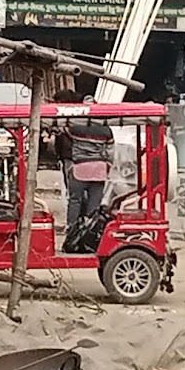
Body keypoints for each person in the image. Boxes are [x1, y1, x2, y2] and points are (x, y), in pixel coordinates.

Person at [52, 89, 111, 253]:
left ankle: (72, 233)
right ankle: (90, 238)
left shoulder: (75, 128)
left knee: (75, 201)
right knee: (94, 205)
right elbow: (110, 151)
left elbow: (62, 130)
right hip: (99, 171)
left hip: (80, 169)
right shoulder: (106, 130)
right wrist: (107, 164)